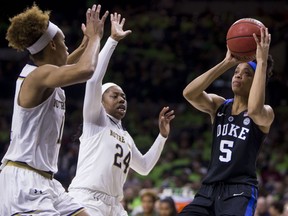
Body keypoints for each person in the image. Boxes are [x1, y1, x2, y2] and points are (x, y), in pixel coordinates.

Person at [0, 3, 108, 215]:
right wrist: (96, 37)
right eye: (64, 42)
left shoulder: (42, 74)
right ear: (51, 45)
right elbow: (85, 70)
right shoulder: (39, 75)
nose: (67, 47)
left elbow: (66, 65)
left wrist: (85, 46)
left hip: (46, 180)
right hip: (24, 181)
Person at [67, 12, 175, 216]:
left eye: (124, 97)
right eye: (114, 95)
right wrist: (112, 40)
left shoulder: (125, 136)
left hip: (115, 206)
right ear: (100, 99)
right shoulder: (95, 120)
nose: (121, 99)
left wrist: (162, 137)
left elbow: (143, 167)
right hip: (88, 199)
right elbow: (93, 80)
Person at [179, 26, 275, 216]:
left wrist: (262, 61)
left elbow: (254, 109)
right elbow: (189, 93)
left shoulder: (266, 113)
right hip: (208, 190)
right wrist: (226, 62)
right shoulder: (219, 106)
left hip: (239, 192)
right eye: (236, 71)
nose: (238, 75)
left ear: (257, 81)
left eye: (247, 73)